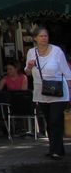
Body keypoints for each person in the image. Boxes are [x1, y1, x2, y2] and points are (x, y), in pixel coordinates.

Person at [25, 26, 71, 159]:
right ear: (35, 38)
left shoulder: (57, 51)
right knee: (49, 121)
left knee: (55, 119)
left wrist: (70, 88)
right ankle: (56, 148)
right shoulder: (31, 52)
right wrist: (29, 66)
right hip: (41, 91)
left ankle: (56, 151)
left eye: (46, 36)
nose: (44, 38)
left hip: (58, 91)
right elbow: (27, 72)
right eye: (41, 36)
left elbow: (66, 72)